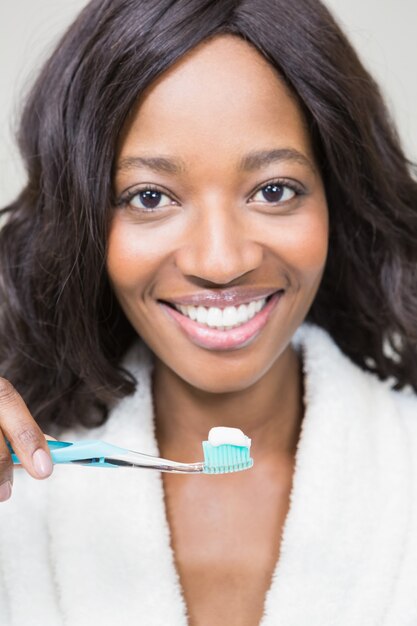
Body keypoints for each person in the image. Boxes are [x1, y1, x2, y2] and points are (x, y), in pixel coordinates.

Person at [0, 0, 416, 624]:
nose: (221, 262)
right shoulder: (19, 498)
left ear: (338, 199)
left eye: (274, 190)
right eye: (149, 196)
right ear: (82, 220)